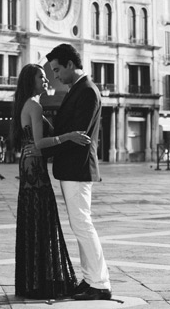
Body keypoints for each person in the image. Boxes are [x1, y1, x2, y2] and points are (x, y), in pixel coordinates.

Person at [11, 63, 89, 300]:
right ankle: (41, 280)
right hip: (34, 169)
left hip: (29, 167)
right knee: (42, 220)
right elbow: (39, 143)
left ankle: (34, 279)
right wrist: (69, 136)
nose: (46, 80)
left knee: (35, 220)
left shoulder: (27, 105)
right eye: (41, 77)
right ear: (30, 81)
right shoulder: (34, 106)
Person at [46, 43, 113, 301]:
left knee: (83, 224)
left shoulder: (86, 91)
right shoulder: (80, 89)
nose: (55, 76)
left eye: (57, 69)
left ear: (71, 65)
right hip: (73, 167)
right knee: (80, 224)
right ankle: (90, 279)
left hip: (78, 166)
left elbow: (78, 132)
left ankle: (100, 282)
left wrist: (49, 141)